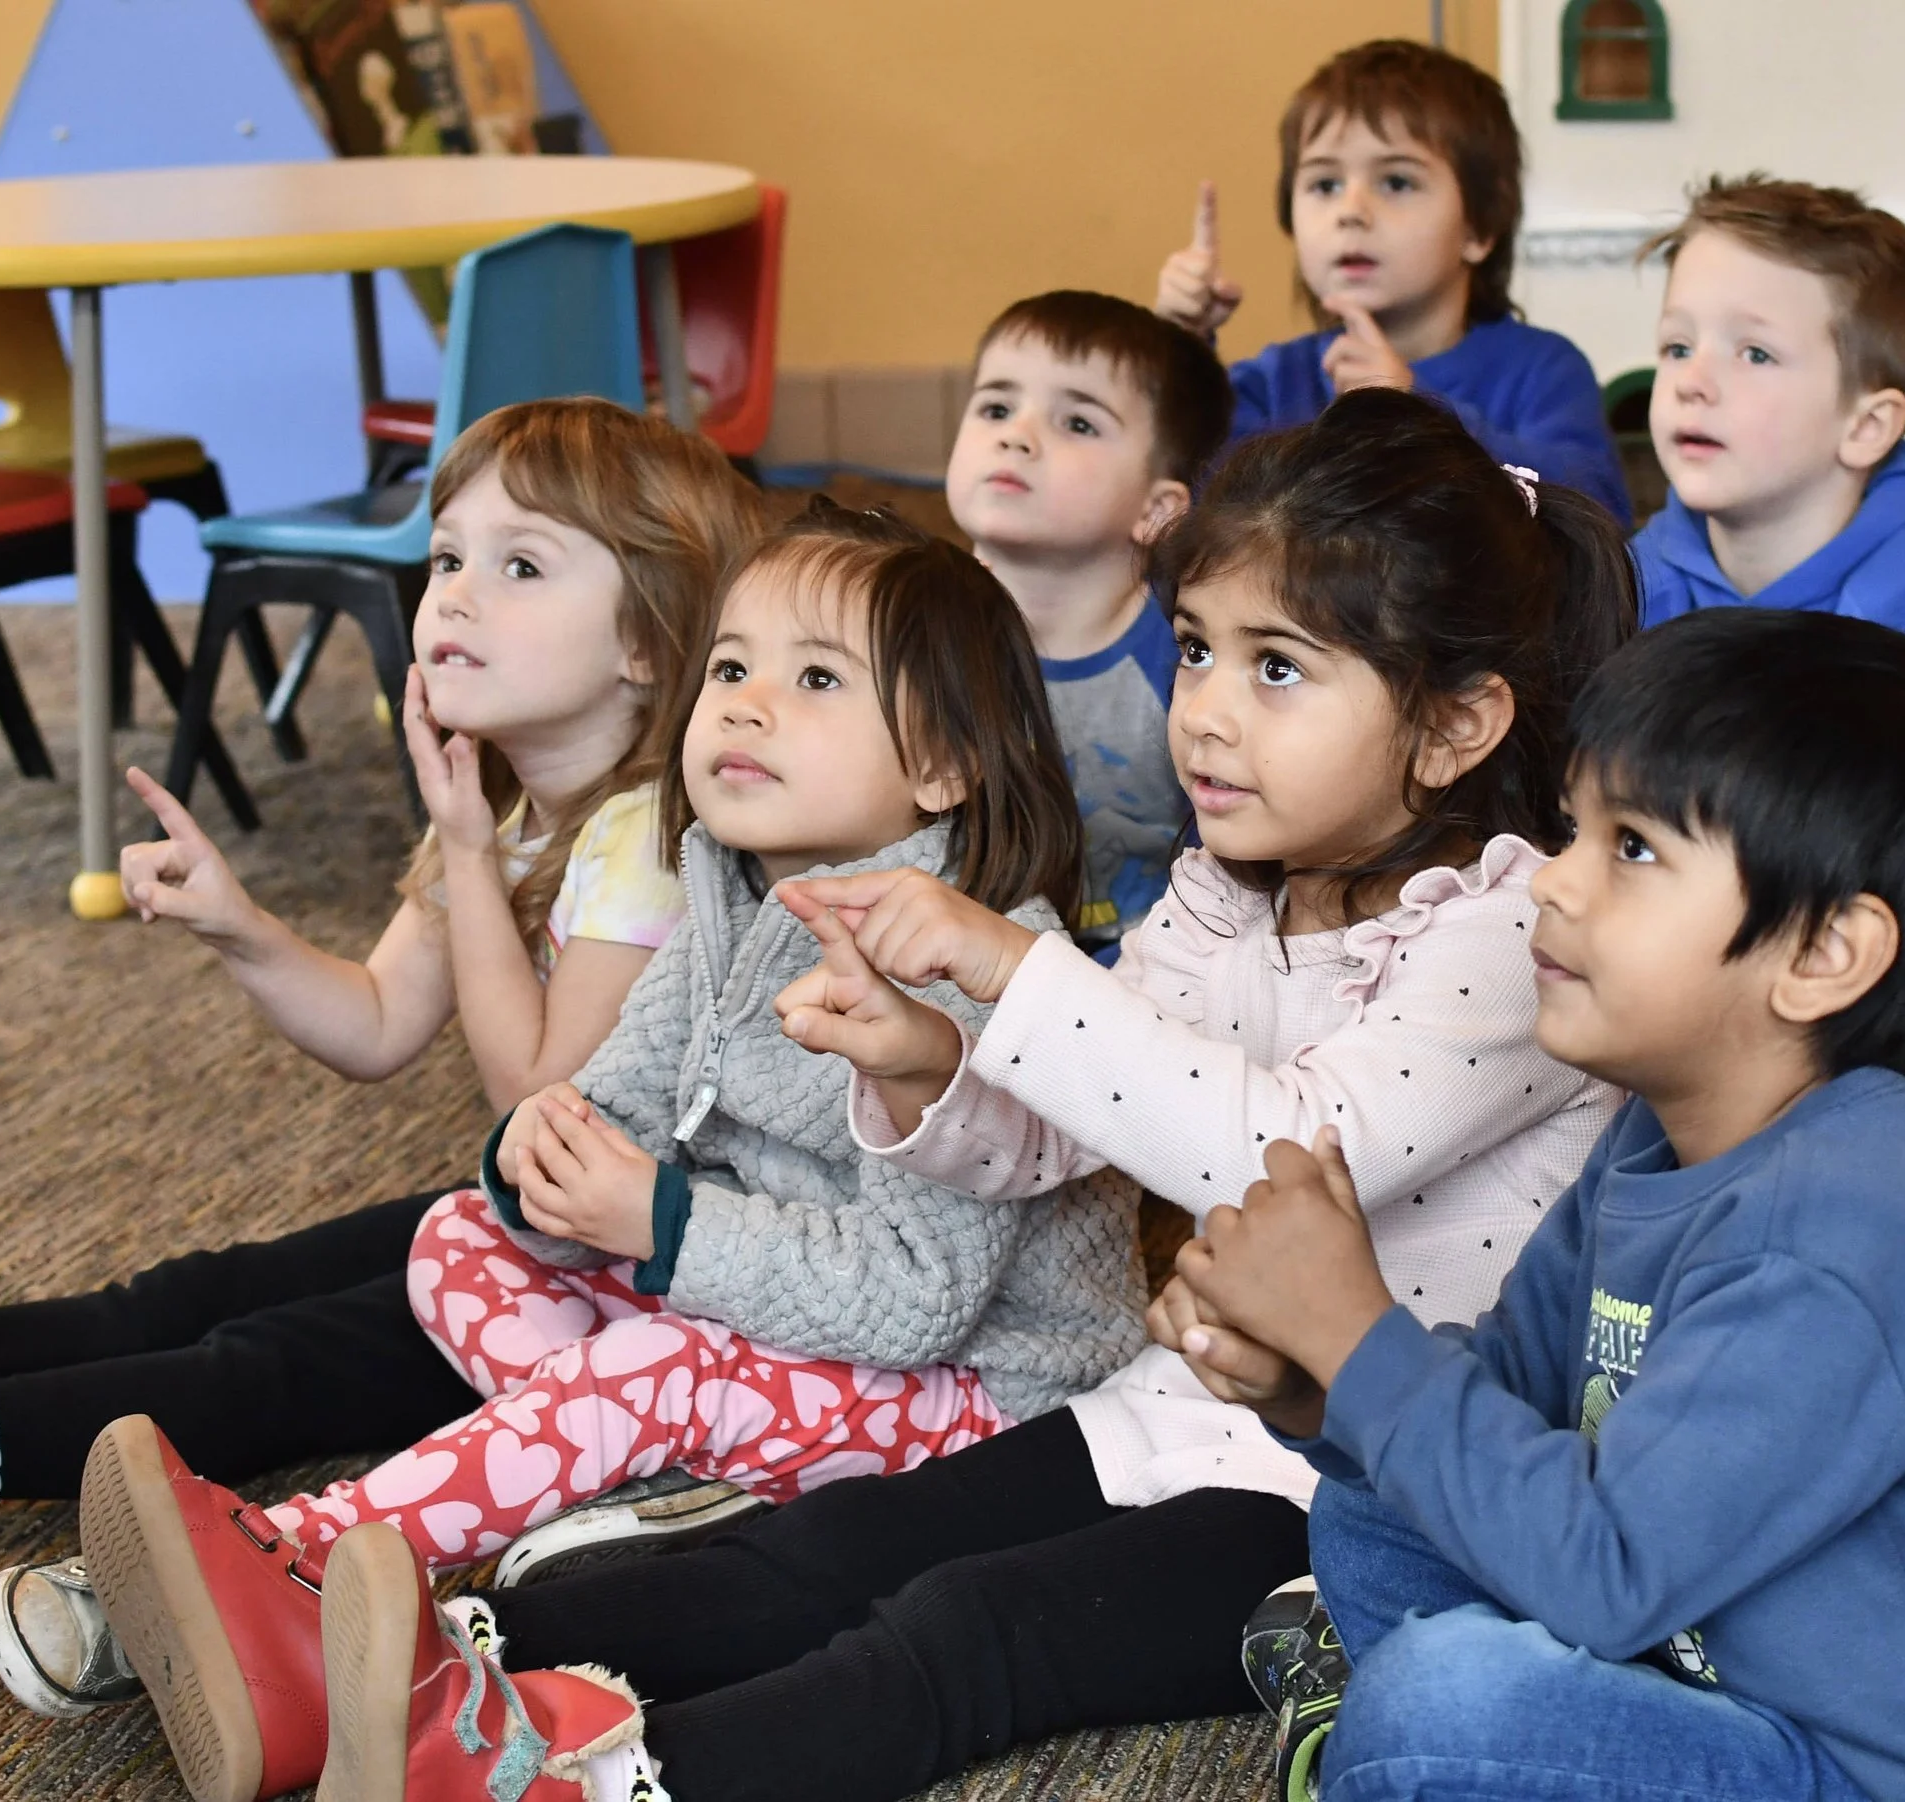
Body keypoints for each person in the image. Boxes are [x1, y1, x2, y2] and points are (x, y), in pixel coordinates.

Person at [302, 389, 1637, 1802]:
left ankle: (597, 1780)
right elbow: (1073, 1139)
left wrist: (1015, 968)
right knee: (839, 1548)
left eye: (1279, 669)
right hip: (1173, 1401)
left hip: (1362, 1498)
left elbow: (1287, 1152)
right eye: (1195, 650)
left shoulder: (1512, 936)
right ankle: (411, 1672)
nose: (1207, 714)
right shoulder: (1220, 900)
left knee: (962, 1636)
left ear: (1455, 726)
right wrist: (923, 1060)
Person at [0, 399, 763, 1610]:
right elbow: (373, 1022)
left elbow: (543, 1104)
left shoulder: (647, 839)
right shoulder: (510, 803)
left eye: (520, 565)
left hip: (643, 1293)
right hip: (544, 1233)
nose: (457, 594)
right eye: (449, 556)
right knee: (212, 1287)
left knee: (264, 1362)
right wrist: (242, 928)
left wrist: (468, 854)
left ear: (647, 638)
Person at [76, 503, 1146, 1802]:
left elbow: (913, 1298)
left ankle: (298, 1565)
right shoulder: (726, 889)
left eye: (814, 678)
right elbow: (622, 1102)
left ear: (944, 767)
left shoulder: (968, 961)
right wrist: (546, 1155)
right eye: (733, 668)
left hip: (977, 1390)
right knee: (455, 1241)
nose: (746, 705)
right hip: (786, 1306)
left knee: (656, 1360)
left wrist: (663, 1228)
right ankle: (666, 1479)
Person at [1171, 606, 1905, 1802]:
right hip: (1694, 1669)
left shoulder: (1857, 1220)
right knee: (1372, 1503)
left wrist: (1357, 1335)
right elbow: (1502, 1398)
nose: (1554, 880)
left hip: (1840, 1765)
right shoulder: (1659, 1131)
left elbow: (1608, 1569)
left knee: (1442, 1705)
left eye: (1632, 847)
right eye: (1572, 828)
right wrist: (1314, 1382)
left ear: (1822, 953)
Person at [1155, 38, 1632, 524]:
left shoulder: (1542, 371)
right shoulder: (1274, 384)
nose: (1351, 212)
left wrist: (1417, 407)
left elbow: (1598, 513)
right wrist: (1181, 347)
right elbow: (1170, 497)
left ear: (1480, 227)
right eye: (1325, 185)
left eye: (1397, 182)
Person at [945, 289, 1233, 951]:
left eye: (1077, 423)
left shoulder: (1186, 665)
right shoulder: (907, 628)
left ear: (1157, 512)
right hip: (953, 955)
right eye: (995, 406)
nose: (1015, 434)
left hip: (1149, 972)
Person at [1632, 175, 1905, 654]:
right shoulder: (1630, 582)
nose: (1691, 382)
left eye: (1756, 354)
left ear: (1866, 427)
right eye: (1678, 347)